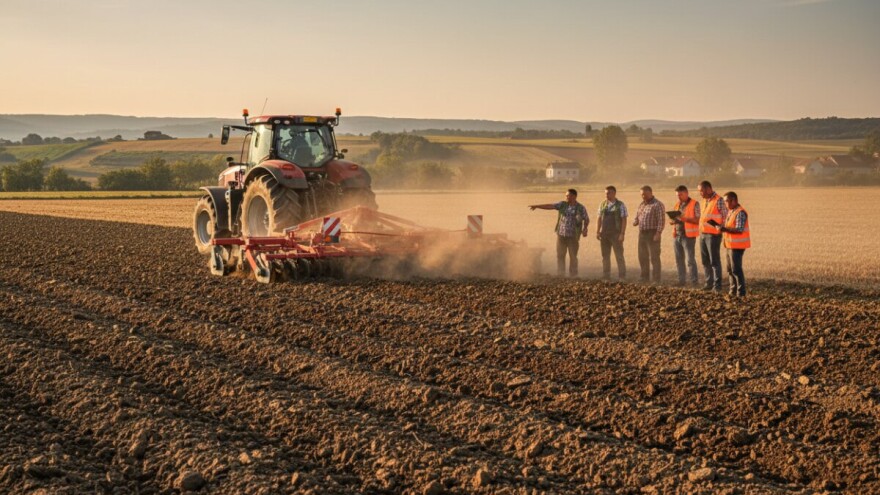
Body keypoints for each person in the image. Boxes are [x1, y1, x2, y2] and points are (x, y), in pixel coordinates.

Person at [529, 189, 589, 276]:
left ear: (574, 196)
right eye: (566, 196)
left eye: (568, 196)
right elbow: (550, 206)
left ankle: (573, 275)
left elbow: (586, 219)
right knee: (560, 256)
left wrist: (585, 228)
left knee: (573, 256)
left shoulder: (580, 207)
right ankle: (561, 274)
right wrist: (537, 206)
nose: (567, 197)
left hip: (573, 236)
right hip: (561, 235)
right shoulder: (562, 205)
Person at [697, 180, 728, 292]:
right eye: (699, 191)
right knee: (705, 261)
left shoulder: (719, 200)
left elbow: (725, 216)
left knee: (714, 261)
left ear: (709, 189)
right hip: (703, 234)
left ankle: (717, 286)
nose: (700, 193)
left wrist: (721, 228)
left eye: (701, 191)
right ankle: (708, 283)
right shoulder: (704, 200)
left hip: (713, 235)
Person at [719, 191, 750, 297]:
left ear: (734, 200)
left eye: (726, 201)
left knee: (736, 269)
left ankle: (741, 293)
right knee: (730, 270)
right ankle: (732, 291)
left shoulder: (740, 212)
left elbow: (739, 229)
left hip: (737, 245)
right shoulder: (731, 211)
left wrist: (724, 229)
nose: (725, 204)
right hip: (729, 245)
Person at [669, 185, 701, 286]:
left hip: (688, 236)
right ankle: (681, 281)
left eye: (680, 195)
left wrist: (685, 219)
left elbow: (698, 220)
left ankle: (693, 282)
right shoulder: (677, 205)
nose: (679, 197)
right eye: (677, 195)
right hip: (677, 235)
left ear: (687, 193)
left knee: (690, 260)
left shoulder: (695, 204)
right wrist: (672, 221)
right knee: (679, 260)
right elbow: (673, 220)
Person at [632, 185, 665, 282]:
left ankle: (656, 279)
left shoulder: (657, 204)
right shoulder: (642, 204)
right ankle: (644, 277)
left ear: (651, 193)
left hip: (652, 233)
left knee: (654, 257)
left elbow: (661, 221)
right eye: (642, 195)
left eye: (645, 194)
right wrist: (635, 221)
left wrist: (658, 233)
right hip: (642, 233)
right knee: (642, 256)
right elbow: (637, 216)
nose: (643, 196)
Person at [596, 185, 627, 280]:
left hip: (616, 234)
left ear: (614, 193)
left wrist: (622, 234)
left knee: (619, 255)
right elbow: (599, 218)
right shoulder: (602, 204)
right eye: (605, 193)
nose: (606, 195)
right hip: (604, 233)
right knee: (605, 256)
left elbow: (624, 219)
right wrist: (597, 231)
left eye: (608, 193)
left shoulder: (620, 205)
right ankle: (606, 274)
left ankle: (622, 275)